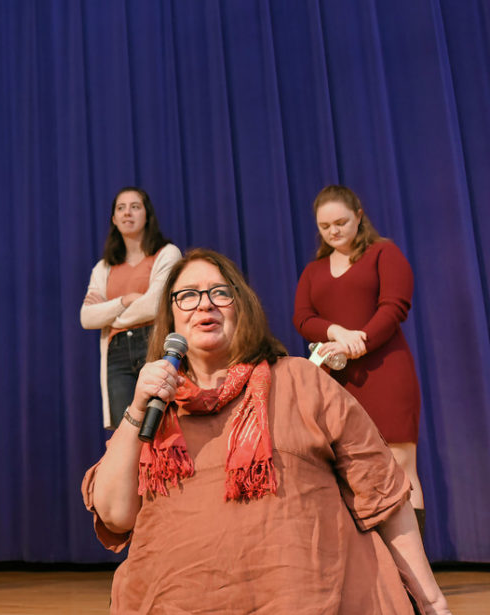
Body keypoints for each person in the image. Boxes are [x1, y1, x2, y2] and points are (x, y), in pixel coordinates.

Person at [82, 248, 450, 614]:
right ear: (171, 318)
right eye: (188, 295)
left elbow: (383, 495)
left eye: (219, 293)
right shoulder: (154, 406)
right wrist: (136, 409)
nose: (204, 305)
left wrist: (433, 603)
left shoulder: (300, 380)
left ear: (242, 307)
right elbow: (115, 514)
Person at [294, 185, 427, 533]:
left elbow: (394, 306)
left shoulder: (384, 253)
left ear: (359, 216)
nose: (334, 231)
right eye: (325, 226)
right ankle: (377, 573)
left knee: (399, 464)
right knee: (352, 471)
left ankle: (415, 580)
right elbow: (303, 318)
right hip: (338, 380)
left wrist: (360, 342)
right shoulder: (314, 270)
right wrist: (336, 332)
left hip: (385, 372)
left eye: (341, 222)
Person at [80, 187, 181, 429]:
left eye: (135, 207)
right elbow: (87, 318)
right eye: (121, 208)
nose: (128, 213)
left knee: (163, 426)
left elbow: (156, 306)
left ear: (147, 215)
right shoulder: (103, 268)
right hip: (117, 353)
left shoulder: (167, 254)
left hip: (154, 343)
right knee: (126, 431)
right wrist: (124, 301)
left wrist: (110, 317)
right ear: (114, 219)